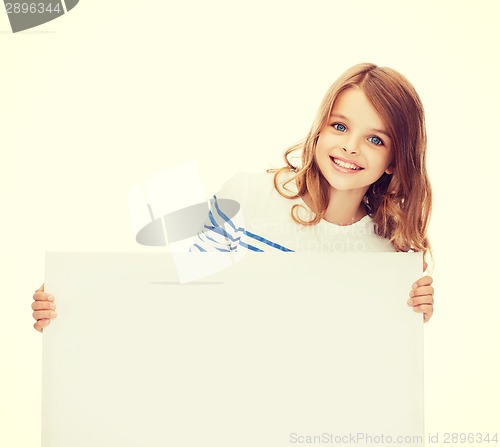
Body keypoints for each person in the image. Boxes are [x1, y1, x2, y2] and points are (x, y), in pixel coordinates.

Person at [32, 62, 434, 332]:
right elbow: (176, 300)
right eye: (340, 126)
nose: (350, 147)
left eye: (375, 138)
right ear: (320, 129)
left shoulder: (387, 254)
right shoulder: (248, 197)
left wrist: (410, 311)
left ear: (394, 161)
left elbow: (373, 357)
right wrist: (74, 304)